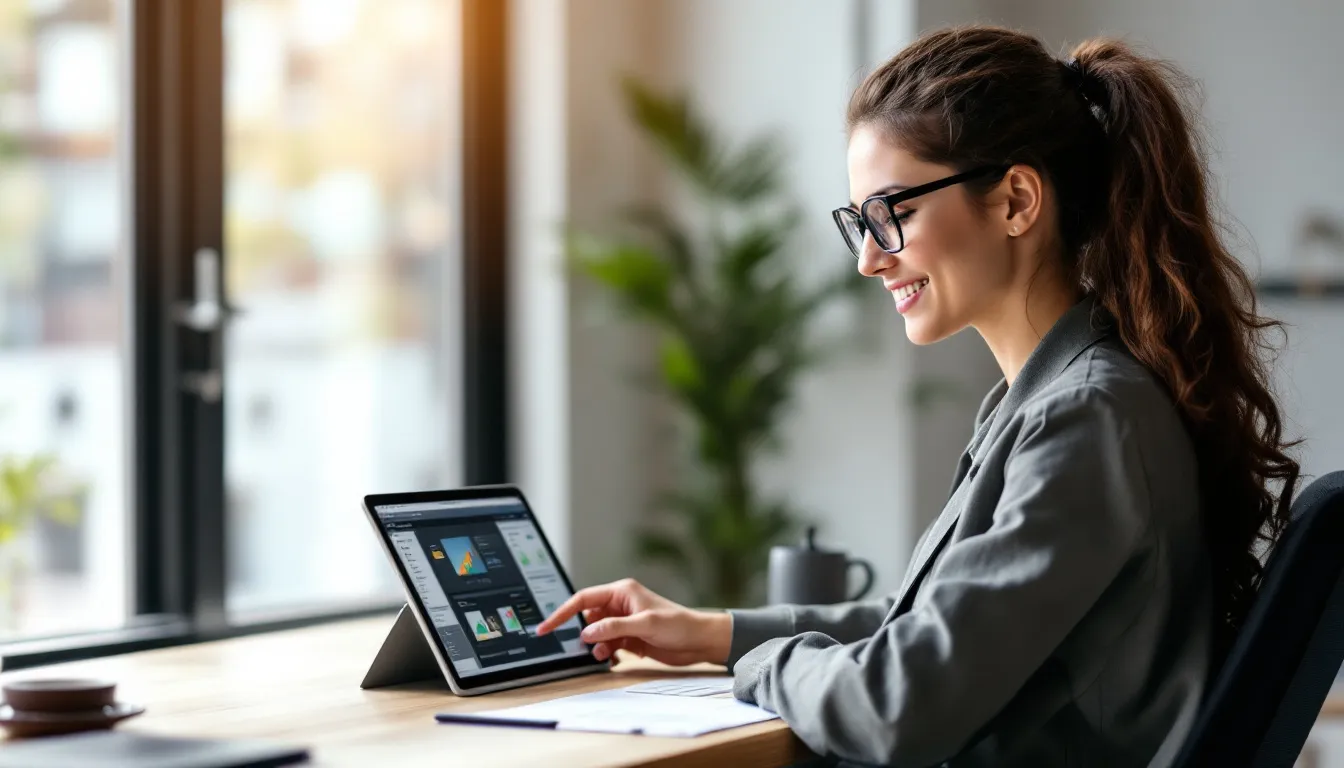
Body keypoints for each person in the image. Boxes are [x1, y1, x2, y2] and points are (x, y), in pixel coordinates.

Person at [536, 25, 1300, 767]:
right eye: (858, 221)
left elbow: (897, 704)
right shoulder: (1049, 402)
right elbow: (931, 629)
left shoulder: (1087, 416)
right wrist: (712, 632)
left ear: (1015, 202)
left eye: (891, 213)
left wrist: (764, 663)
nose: (870, 259)